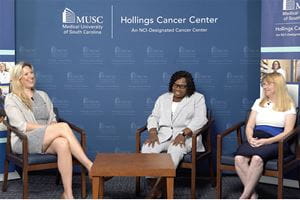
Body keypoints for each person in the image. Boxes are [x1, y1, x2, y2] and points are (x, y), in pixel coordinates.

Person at [4, 62, 93, 199]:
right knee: (63, 127)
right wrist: (51, 128)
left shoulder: (42, 95)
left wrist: (52, 125)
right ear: (18, 78)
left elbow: (52, 116)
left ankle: (67, 194)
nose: (30, 76)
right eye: (26, 74)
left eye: (31, 73)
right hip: (25, 140)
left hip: (45, 137)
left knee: (63, 143)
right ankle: (89, 165)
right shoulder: (12, 98)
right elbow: (22, 125)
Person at [141, 70, 208, 198]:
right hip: (163, 135)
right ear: (172, 85)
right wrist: (153, 132)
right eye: (176, 85)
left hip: (186, 138)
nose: (178, 88)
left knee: (175, 151)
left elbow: (201, 119)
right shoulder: (163, 98)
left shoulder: (197, 98)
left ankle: (154, 192)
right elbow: (153, 116)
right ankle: (159, 187)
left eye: (183, 86)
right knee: (148, 148)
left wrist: (184, 133)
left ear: (188, 87)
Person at [234, 72, 296, 199]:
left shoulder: (289, 104)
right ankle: (253, 194)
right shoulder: (258, 102)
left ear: (278, 85)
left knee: (257, 159)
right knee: (239, 159)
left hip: (277, 141)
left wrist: (267, 141)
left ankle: (244, 196)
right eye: (264, 84)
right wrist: (250, 138)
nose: (265, 87)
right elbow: (250, 125)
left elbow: (288, 132)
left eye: (268, 84)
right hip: (256, 138)